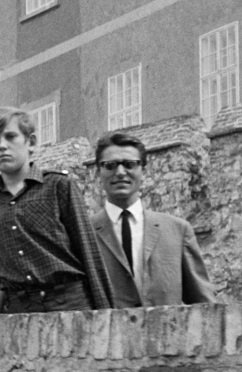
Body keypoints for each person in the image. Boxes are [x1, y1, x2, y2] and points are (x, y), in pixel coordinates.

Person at [0, 107, 113, 315]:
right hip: (21, 309)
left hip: (70, 303)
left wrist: (106, 316)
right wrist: (1, 291)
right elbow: (4, 259)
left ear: (31, 142)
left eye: (11, 137)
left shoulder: (58, 186)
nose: (2, 146)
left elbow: (89, 252)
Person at [90, 131, 217, 308]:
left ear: (144, 170)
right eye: (110, 165)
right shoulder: (84, 234)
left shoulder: (177, 231)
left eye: (129, 164)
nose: (120, 172)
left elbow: (205, 305)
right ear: (98, 172)